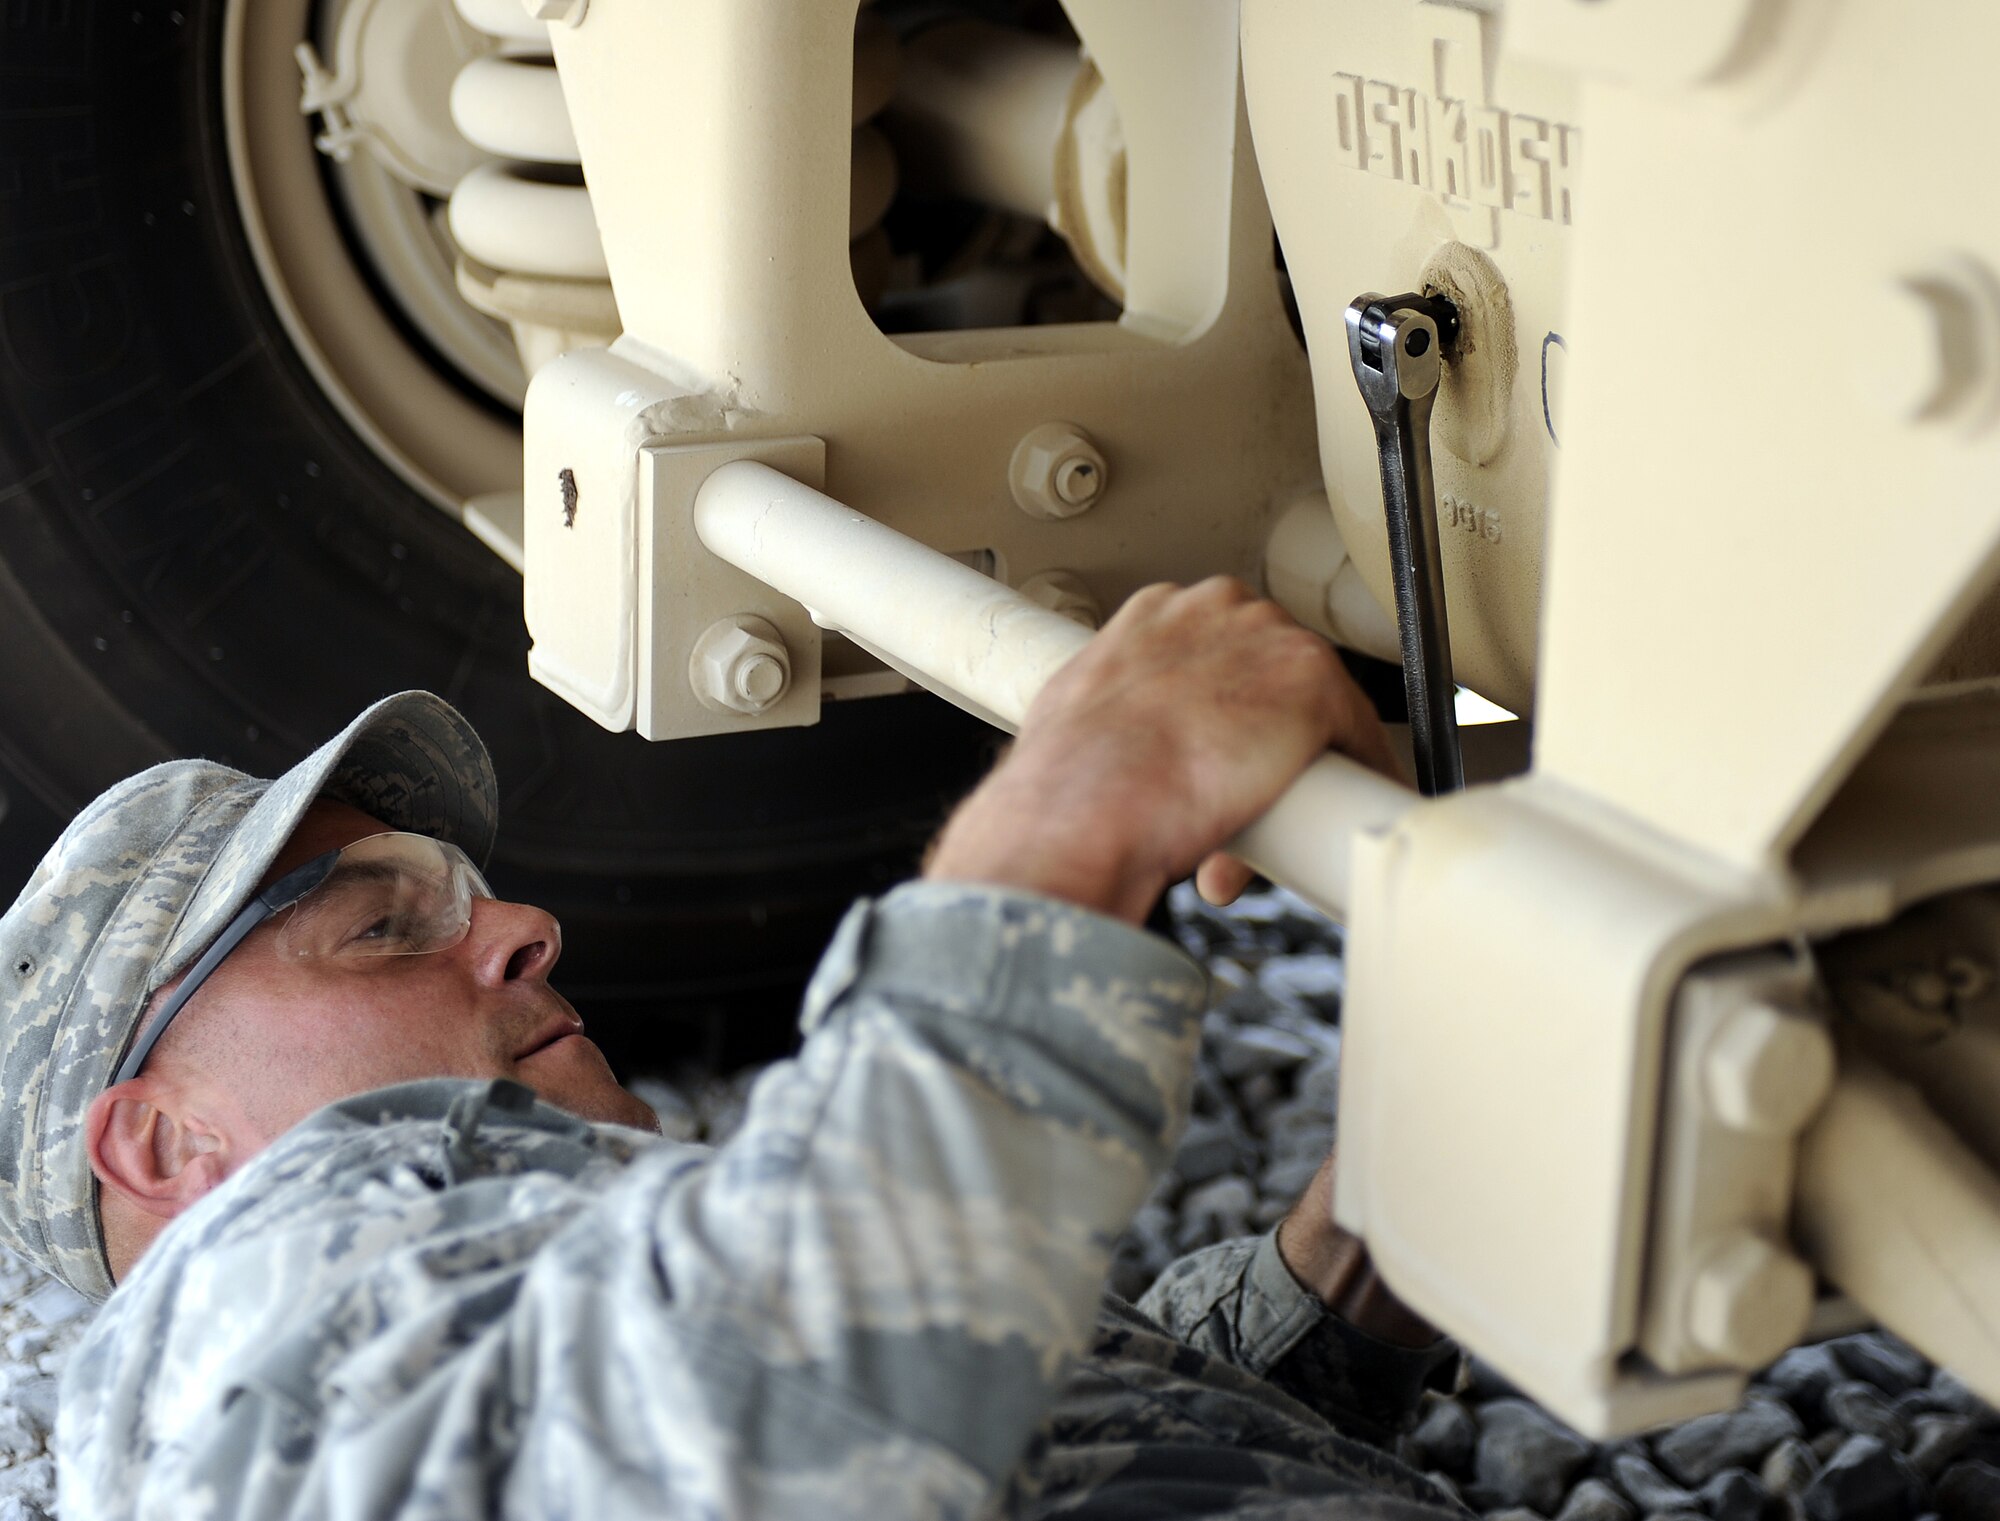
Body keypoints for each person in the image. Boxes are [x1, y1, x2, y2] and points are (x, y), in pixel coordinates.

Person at [0, 578, 1465, 1519]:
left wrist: (1390, 1218)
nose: (525, 925)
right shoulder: (213, 1323)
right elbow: (722, 1450)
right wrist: (1074, 812)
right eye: (384, 928)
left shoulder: (507, 1302)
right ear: (168, 1144)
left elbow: (1064, 1437)